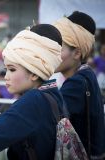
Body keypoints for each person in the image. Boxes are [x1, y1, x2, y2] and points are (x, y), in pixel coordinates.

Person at [0, 24, 66, 159]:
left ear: (34, 73)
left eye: (12, 69)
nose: (6, 76)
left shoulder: (33, 100)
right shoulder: (52, 92)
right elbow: (29, 126)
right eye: (6, 69)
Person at [53, 11, 105, 158]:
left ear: (77, 53)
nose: (52, 53)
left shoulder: (77, 84)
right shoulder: (86, 75)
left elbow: (47, 117)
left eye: (59, 48)